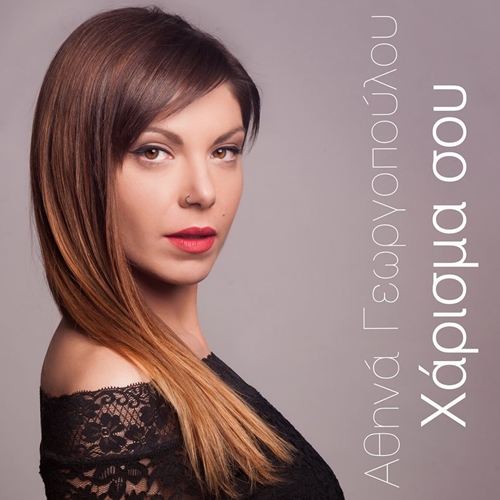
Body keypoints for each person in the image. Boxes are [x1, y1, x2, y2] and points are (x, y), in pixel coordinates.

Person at [32, 6, 345, 499]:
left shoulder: (164, 352)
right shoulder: (112, 380)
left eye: (224, 151)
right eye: (154, 151)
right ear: (80, 168)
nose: (203, 192)